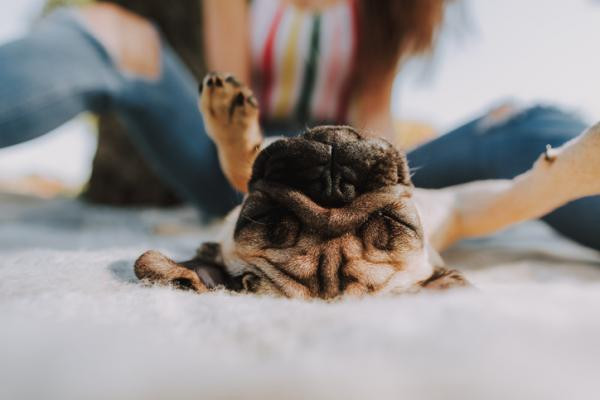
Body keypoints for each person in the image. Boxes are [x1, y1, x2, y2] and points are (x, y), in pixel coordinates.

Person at [0, 0, 598, 250]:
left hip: (339, 168)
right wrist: (249, 158)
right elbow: (227, 102)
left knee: (516, 125)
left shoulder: (388, 9)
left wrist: (379, 192)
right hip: (230, 161)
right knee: (109, 30)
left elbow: (373, 125)